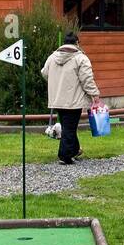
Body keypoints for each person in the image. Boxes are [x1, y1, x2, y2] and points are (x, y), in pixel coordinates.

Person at [41, 31, 101, 165]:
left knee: (68, 126)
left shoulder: (52, 57)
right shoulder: (81, 58)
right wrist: (95, 95)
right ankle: (65, 155)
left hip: (57, 99)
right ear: (77, 43)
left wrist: (57, 82)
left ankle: (75, 150)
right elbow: (87, 79)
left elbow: (44, 73)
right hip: (74, 100)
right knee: (69, 128)